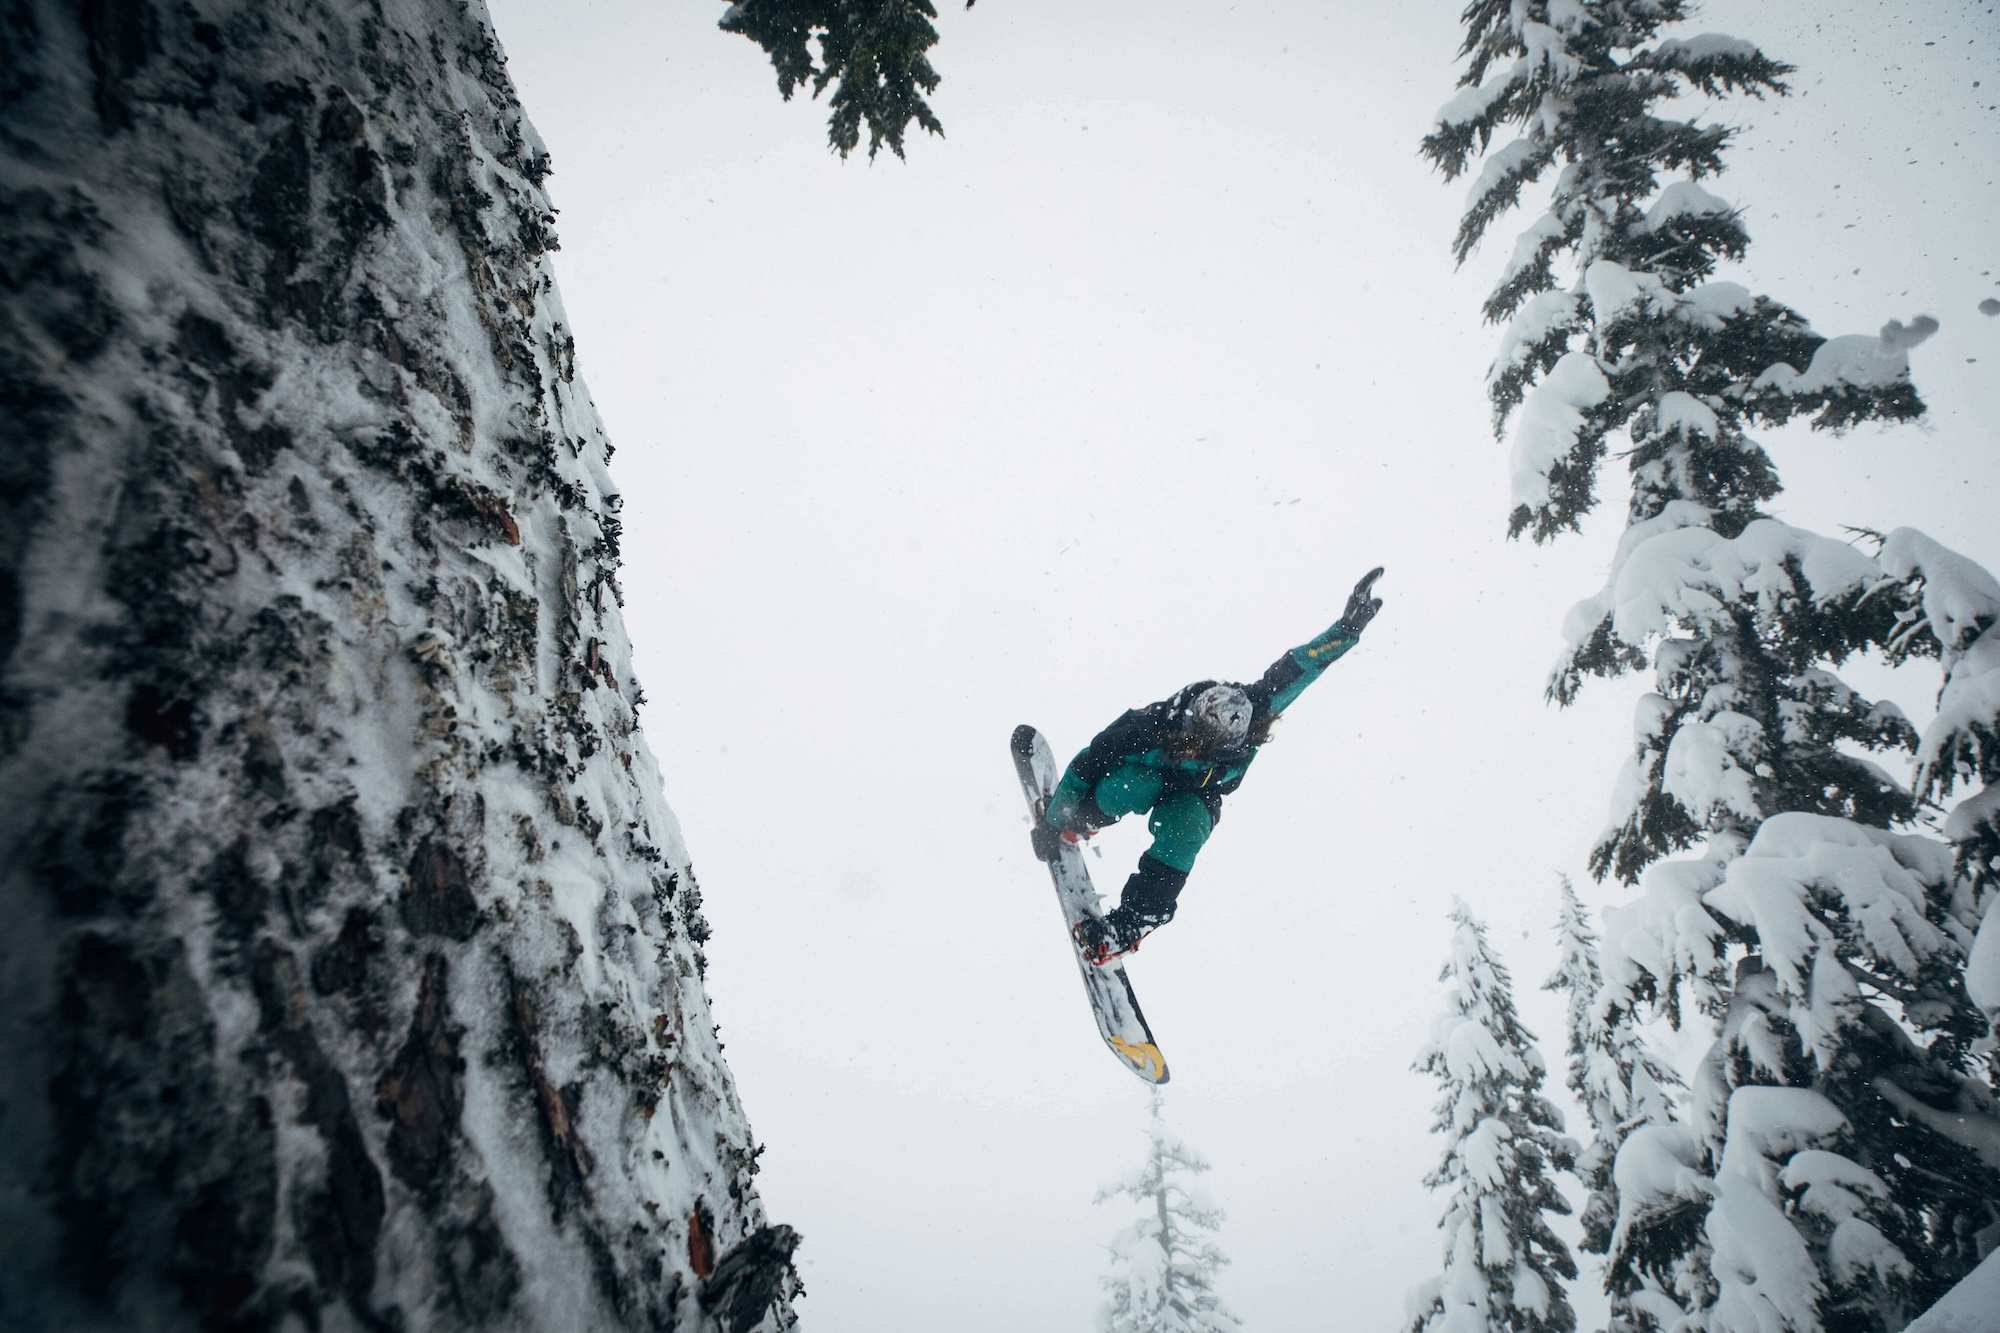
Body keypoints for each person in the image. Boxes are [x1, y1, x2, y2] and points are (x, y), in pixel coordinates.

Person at [1031, 567, 1385, 963]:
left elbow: (1302, 666)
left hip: (1196, 795)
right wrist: (1057, 820)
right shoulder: (1145, 726)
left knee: (1187, 831)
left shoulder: (1258, 711)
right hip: (1148, 776)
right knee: (1124, 785)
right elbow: (1086, 765)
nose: (1194, 749)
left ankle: (1132, 924)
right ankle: (1085, 820)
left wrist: (1347, 628)